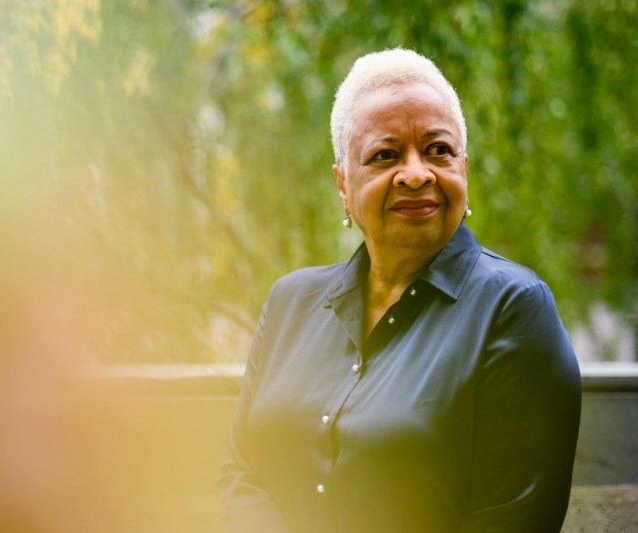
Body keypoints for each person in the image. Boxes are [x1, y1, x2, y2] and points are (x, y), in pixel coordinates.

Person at [219, 48, 581, 533]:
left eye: (438, 150)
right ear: (343, 185)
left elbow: (511, 519)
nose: (416, 174)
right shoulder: (290, 302)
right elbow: (242, 473)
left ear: (463, 170)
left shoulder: (513, 309)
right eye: (385, 155)